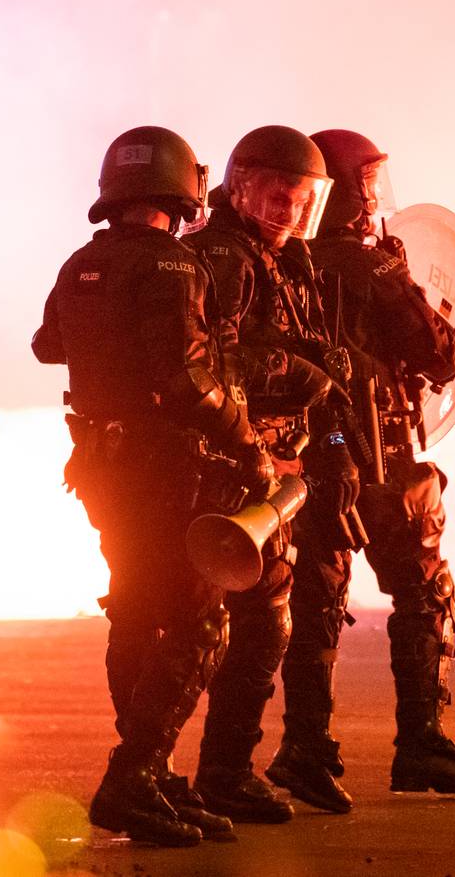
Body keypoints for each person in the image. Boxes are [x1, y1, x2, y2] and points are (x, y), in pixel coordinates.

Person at [32, 126, 271, 848]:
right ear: (181, 191)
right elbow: (189, 379)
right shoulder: (174, 263)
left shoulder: (81, 262)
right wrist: (250, 443)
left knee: (135, 612)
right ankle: (132, 775)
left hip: (101, 467)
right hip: (167, 467)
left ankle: (156, 773)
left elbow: (48, 345)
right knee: (201, 621)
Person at [264, 129, 455, 814]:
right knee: (424, 592)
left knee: (315, 606)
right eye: (370, 183)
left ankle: (306, 749)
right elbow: (440, 353)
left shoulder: (285, 262)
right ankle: (421, 742)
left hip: (313, 461)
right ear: (351, 191)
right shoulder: (371, 268)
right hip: (381, 458)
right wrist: (401, 278)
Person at [182, 126, 356, 823]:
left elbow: (313, 369)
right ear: (242, 184)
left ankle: (221, 771)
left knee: (263, 622)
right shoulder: (222, 255)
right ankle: (192, 773)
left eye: (302, 197)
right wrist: (300, 376)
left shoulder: (293, 262)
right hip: (227, 463)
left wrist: (329, 442)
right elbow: (211, 362)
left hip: (275, 464)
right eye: (277, 192)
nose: (289, 207)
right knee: (202, 624)